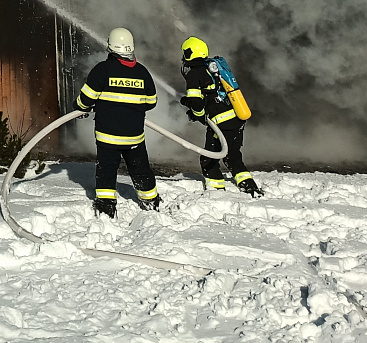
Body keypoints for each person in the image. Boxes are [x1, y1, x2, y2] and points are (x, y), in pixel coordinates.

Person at [75, 27, 161, 218]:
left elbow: (86, 100)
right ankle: (151, 202)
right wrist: (131, 108)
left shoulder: (102, 70)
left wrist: (80, 106)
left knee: (106, 171)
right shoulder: (142, 72)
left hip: (108, 137)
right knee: (141, 170)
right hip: (134, 137)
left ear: (110, 47)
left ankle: (106, 208)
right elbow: (151, 102)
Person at [180, 36, 263, 197]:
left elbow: (197, 103)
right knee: (233, 156)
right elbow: (208, 97)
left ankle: (217, 192)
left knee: (209, 159)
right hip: (236, 119)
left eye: (185, 53)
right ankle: (250, 187)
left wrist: (198, 115)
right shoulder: (213, 69)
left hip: (220, 124)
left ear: (190, 53)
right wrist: (193, 107)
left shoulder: (194, 74)